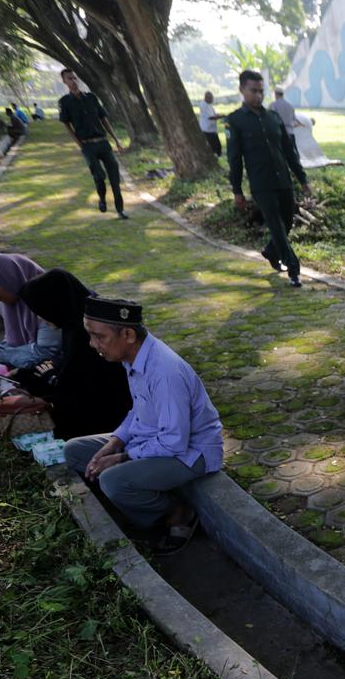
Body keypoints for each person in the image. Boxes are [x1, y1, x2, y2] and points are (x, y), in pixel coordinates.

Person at [63, 298, 223, 554]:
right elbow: (139, 410)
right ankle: (136, 501)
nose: (93, 345)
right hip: (152, 439)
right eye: (90, 336)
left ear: (127, 334)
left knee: (113, 481)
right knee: (74, 450)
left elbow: (174, 441)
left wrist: (123, 457)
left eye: (99, 337)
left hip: (190, 453)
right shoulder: (133, 356)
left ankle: (178, 513)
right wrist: (115, 442)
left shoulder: (165, 372)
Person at [0, 268, 134, 440]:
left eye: (41, 311)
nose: (41, 318)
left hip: (109, 411)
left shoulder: (88, 333)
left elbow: (85, 388)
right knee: (30, 381)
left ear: (54, 303)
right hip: (92, 394)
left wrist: (49, 385)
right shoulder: (75, 322)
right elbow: (71, 369)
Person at [228, 70, 311, 286]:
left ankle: (270, 251)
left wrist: (302, 180)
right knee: (276, 225)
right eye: (253, 91)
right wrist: (237, 190)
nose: (258, 95)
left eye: (261, 91)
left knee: (287, 221)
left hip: (283, 180)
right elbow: (234, 159)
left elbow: (289, 152)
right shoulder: (235, 121)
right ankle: (293, 268)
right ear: (242, 90)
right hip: (261, 184)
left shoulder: (273, 118)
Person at [0, 253, 63, 369]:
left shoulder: (46, 303)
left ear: (11, 279)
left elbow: (45, 352)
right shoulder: (16, 305)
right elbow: (16, 341)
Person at [57, 68, 128, 219]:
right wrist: (80, 144)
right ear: (64, 81)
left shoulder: (91, 98)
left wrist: (116, 140)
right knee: (99, 175)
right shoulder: (65, 102)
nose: (73, 81)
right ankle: (102, 199)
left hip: (103, 143)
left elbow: (104, 120)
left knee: (114, 176)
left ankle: (120, 209)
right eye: (69, 79)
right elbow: (67, 125)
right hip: (87, 146)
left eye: (75, 78)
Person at [198, 91, 222, 157]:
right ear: (206, 98)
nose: (212, 100)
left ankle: (217, 156)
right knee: (213, 147)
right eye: (211, 98)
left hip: (212, 129)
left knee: (217, 147)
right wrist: (220, 116)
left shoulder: (209, 105)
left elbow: (213, 115)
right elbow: (210, 117)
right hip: (207, 130)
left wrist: (217, 115)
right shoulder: (203, 105)